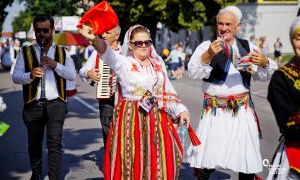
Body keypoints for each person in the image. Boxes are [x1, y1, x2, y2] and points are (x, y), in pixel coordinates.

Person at [79, 24, 191, 179]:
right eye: (139, 43)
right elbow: (106, 52)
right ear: (130, 45)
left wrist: (181, 110)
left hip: (157, 117)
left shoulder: (157, 65)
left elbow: (167, 88)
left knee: (161, 159)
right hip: (132, 117)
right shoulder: (124, 63)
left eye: (147, 42)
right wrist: (94, 39)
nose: (143, 46)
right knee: (132, 159)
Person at [186, 6, 277, 180]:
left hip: (241, 111)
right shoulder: (207, 46)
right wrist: (208, 55)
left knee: (246, 157)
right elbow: (193, 72)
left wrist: (265, 62)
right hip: (215, 111)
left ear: (238, 27)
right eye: (220, 23)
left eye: (228, 24)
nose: (224, 28)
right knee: (208, 158)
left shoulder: (248, 47)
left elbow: (265, 75)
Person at [12, 15, 76, 180]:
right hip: (33, 104)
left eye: (45, 30)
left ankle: (54, 177)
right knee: (34, 143)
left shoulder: (62, 52)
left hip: (56, 104)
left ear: (52, 30)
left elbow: (71, 75)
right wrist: (30, 75)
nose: (41, 34)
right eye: (38, 30)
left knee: (54, 144)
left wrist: (55, 65)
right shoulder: (25, 52)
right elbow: (15, 77)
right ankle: (37, 172)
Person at [267, 17, 300, 180]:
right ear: (291, 41)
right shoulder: (282, 78)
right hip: (296, 157)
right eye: (299, 38)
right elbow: (287, 121)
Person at [79, 25, 122, 147]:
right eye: (103, 33)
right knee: (107, 129)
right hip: (106, 98)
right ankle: (110, 159)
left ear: (117, 35)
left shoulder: (126, 52)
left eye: (107, 33)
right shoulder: (98, 52)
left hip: (124, 98)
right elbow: (83, 70)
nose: (103, 36)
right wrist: (88, 73)